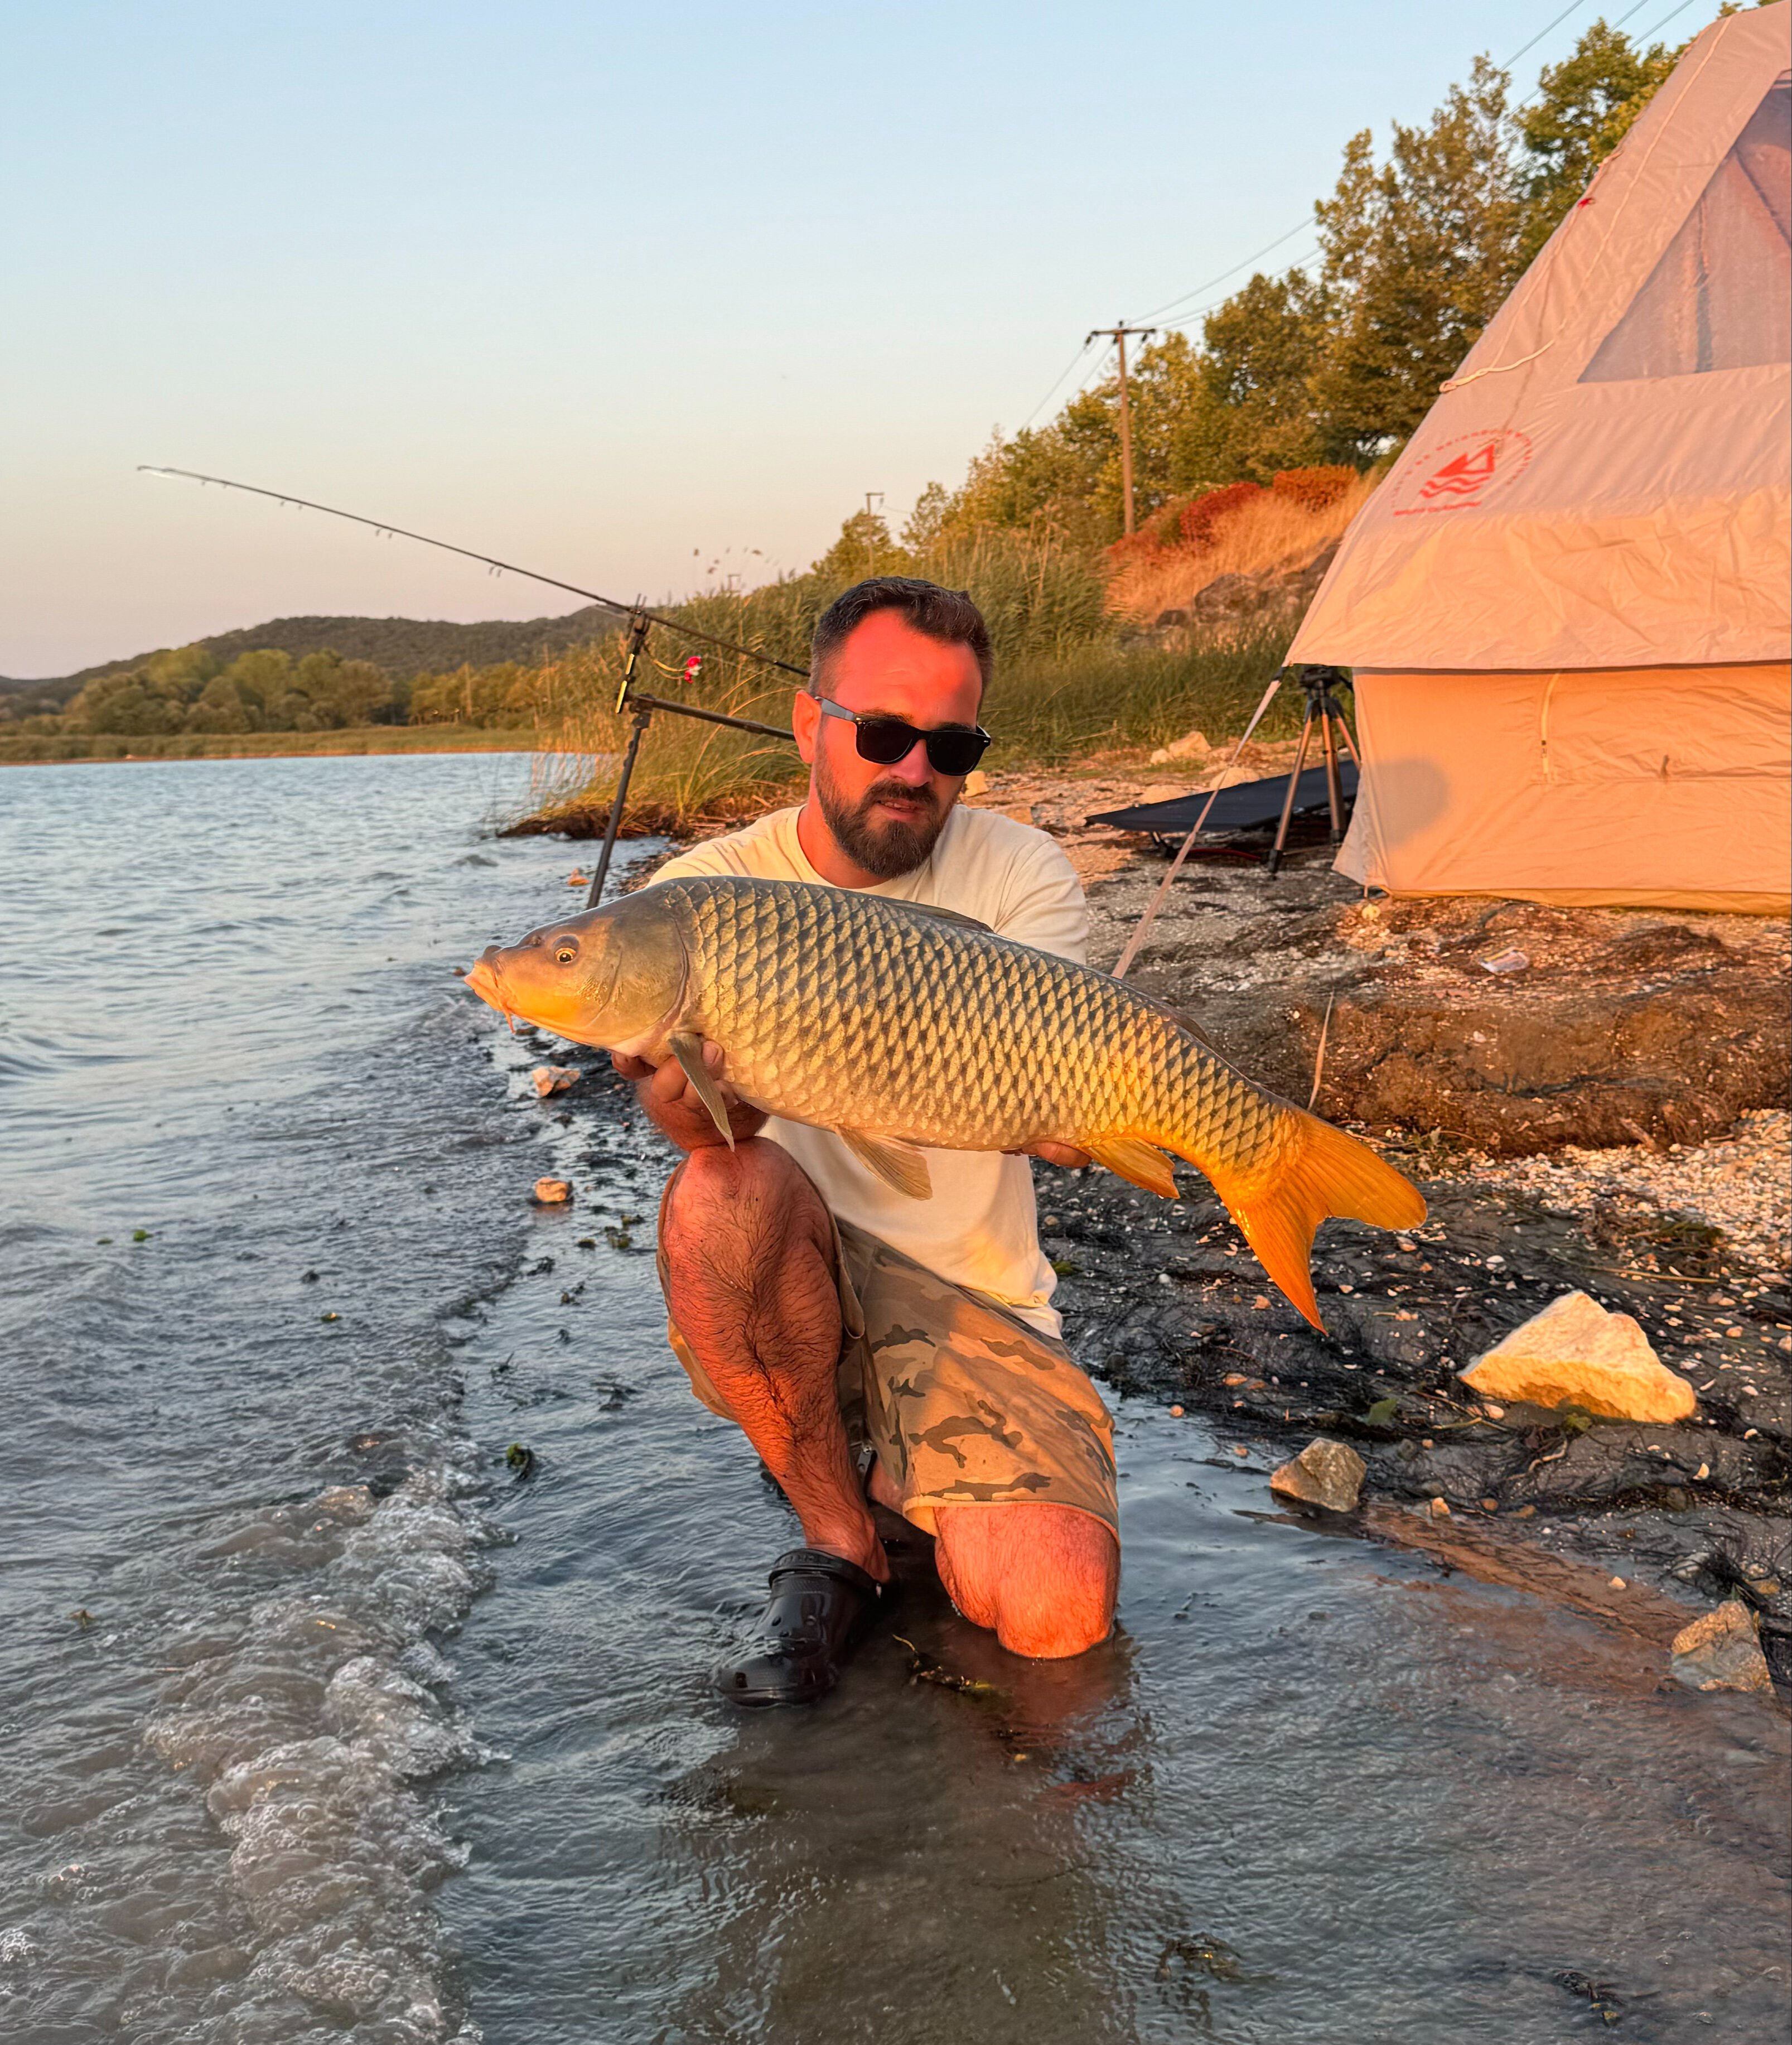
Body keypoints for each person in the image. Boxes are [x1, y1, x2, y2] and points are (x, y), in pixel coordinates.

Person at [615, 577, 1119, 1705]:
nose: (913, 770)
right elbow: (682, 1127)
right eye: (884, 733)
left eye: (951, 747)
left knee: (1053, 1621)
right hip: (800, 1271)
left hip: (973, 1298)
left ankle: (912, 1474)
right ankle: (839, 1533)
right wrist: (693, 1088)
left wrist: (1100, 1114)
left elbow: (1059, 1074)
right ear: (810, 724)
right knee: (722, 1184)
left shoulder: (1020, 873)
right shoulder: (699, 898)